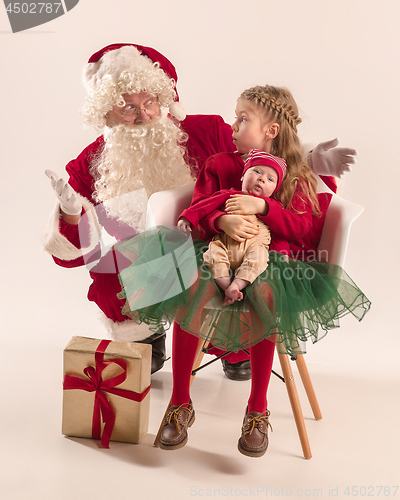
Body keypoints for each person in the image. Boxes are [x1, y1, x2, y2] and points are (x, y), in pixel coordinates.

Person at [43, 43, 358, 378]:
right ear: (106, 112)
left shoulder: (204, 130)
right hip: (144, 257)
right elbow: (75, 255)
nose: (143, 115)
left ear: (163, 99)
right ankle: (146, 337)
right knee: (108, 273)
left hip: (211, 241)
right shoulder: (88, 162)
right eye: (126, 107)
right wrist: (71, 214)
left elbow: (263, 156)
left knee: (226, 266)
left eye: (150, 101)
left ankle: (233, 344)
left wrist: (308, 160)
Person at [155, 84, 370, 457]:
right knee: (191, 288)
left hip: (275, 261)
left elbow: (304, 228)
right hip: (217, 253)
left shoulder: (295, 175)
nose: (233, 126)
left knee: (267, 294)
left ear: (270, 130)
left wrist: (263, 207)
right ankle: (179, 402)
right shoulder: (219, 164)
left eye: (242, 118)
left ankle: (257, 409)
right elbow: (198, 210)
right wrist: (222, 220)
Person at [179, 149, 288, 305]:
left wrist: (282, 252)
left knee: (260, 258)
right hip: (224, 244)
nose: (262, 179)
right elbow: (203, 206)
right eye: (257, 171)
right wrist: (187, 217)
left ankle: (237, 285)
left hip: (254, 247)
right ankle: (227, 287)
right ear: (243, 175)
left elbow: (279, 232)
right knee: (213, 255)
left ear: (274, 190)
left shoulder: (272, 207)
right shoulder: (228, 195)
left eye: (270, 179)